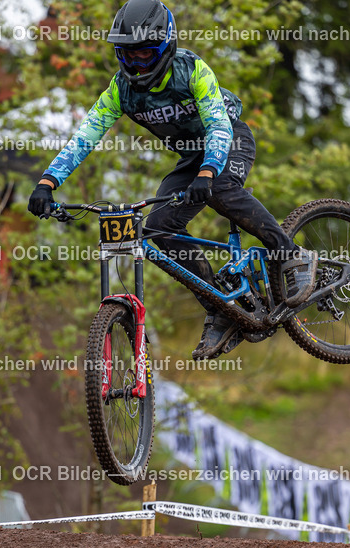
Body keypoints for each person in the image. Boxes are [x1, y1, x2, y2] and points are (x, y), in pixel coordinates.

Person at [27, 0, 319, 360]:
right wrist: (47, 183)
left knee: (221, 189)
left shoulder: (192, 69)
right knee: (157, 229)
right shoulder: (121, 90)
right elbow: (84, 138)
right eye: (127, 56)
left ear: (167, 45)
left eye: (145, 55)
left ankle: (292, 255)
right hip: (192, 159)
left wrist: (209, 172)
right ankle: (220, 308)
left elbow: (217, 125)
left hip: (229, 140)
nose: (136, 64)